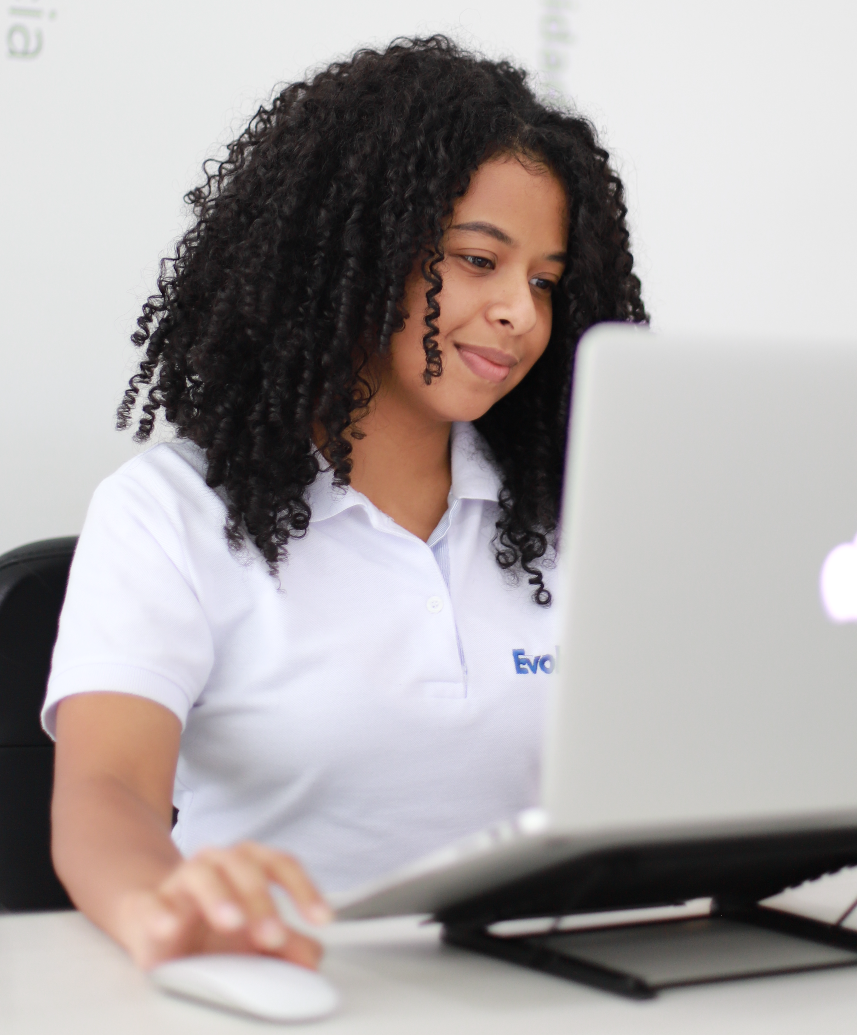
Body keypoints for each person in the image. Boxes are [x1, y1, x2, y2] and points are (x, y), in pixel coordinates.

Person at [43, 36, 647, 972]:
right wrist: (164, 910)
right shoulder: (170, 513)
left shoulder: (573, 511)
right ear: (355, 252)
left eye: (543, 281)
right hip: (288, 987)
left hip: (545, 991)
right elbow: (106, 792)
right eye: (478, 261)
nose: (521, 314)